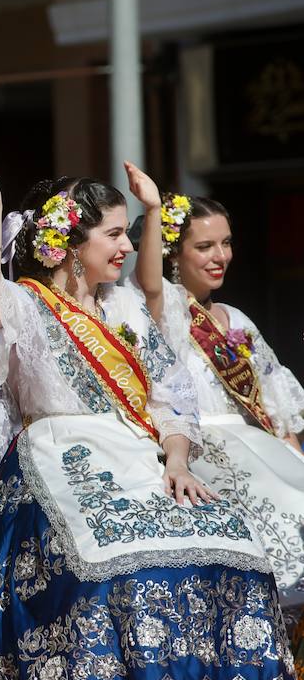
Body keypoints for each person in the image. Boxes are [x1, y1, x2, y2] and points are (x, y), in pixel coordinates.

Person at [0, 140, 304, 680]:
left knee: (231, 538)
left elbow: (170, 398)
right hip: (57, 452)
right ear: (71, 244)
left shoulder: (127, 308)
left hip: (140, 453)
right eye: (112, 234)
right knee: (111, 556)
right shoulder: (25, 302)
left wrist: (179, 462)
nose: (126, 246)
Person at [124, 165, 304, 607]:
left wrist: (293, 452)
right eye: (204, 246)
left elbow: (277, 405)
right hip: (201, 445)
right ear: (172, 254)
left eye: (225, 243)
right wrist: (151, 211)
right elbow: (149, 284)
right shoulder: (162, 310)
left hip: (258, 446)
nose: (219, 255)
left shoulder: (237, 319)